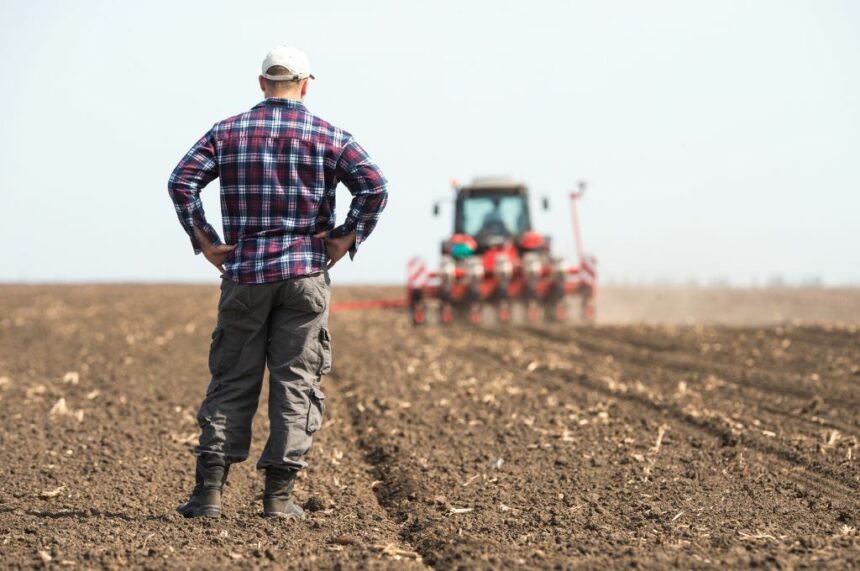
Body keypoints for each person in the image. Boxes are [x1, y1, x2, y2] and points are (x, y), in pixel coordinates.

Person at [167, 45, 388, 519]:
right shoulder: (330, 136)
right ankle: (279, 498)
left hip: (245, 273)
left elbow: (181, 181)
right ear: (306, 85)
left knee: (232, 380)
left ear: (262, 83)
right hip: (305, 275)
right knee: (297, 382)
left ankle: (208, 496)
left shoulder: (227, 132)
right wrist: (345, 237)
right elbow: (375, 186)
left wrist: (205, 240)